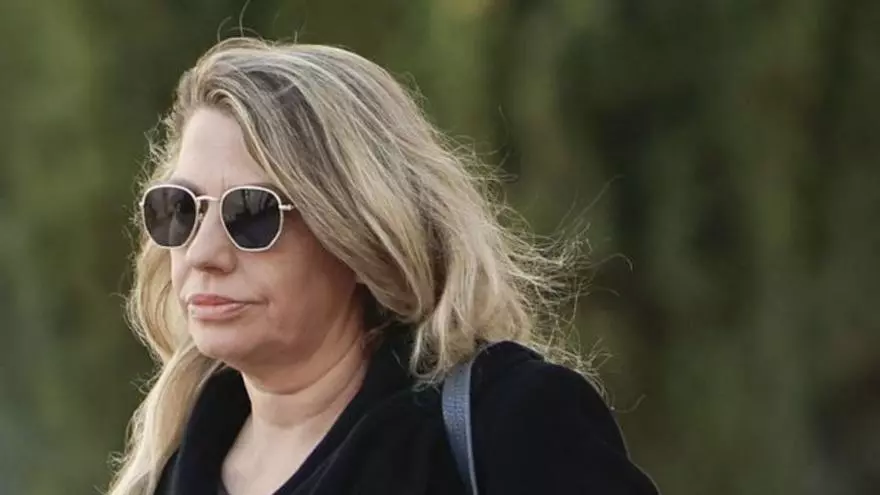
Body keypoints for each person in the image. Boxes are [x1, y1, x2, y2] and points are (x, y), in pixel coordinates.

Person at [107, 37, 660, 495]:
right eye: (180, 209)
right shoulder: (163, 473)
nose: (202, 253)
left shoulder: (511, 424)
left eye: (251, 213)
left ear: (360, 233)